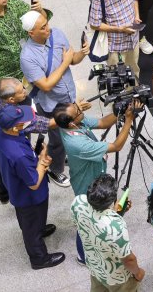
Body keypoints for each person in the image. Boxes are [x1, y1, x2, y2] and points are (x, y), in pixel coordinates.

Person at [53, 100, 141, 265]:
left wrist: (121, 112)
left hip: (94, 174)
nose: (81, 109)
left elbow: (102, 122)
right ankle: (82, 256)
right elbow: (116, 146)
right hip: (85, 183)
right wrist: (128, 120)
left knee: (94, 217)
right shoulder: (76, 144)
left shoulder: (74, 122)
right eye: (77, 111)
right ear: (72, 123)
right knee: (86, 221)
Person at [20, 10, 90, 187]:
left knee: (72, 128)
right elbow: (45, 85)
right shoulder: (27, 57)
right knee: (57, 139)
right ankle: (55, 169)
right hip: (50, 104)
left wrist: (82, 52)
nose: (48, 29)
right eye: (43, 28)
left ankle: (63, 155)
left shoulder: (57, 34)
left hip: (69, 96)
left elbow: (72, 59)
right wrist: (65, 61)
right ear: (31, 33)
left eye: (47, 23)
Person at [0, 104, 65, 269]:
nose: (26, 123)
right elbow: (33, 183)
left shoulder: (0, 132)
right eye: (22, 122)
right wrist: (42, 161)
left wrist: (34, 152)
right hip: (29, 196)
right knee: (31, 222)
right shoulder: (18, 155)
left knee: (30, 220)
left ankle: (37, 229)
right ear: (14, 126)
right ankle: (39, 258)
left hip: (16, 186)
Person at [0, 77, 55, 203]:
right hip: (14, 152)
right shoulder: (18, 121)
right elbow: (46, 123)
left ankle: (3, 194)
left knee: (1, 167)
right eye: (21, 91)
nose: (25, 91)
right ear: (11, 99)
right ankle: (13, 192)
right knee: (16, 173)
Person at [71, 173, 145, 291]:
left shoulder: (77, 202)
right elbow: (128, 259)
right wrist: (138, 273)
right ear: (111, 200)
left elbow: (92, 223)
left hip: (95, 267)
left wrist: (113, 213)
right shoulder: (116, 226)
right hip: (117, 276)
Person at [89, 0, 141, 80]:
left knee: (134, 70)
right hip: (116, 47)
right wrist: (119, 29)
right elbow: (94, 24)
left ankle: (135, 94)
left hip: (133, 40)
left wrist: (136, 15)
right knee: (117, 77)